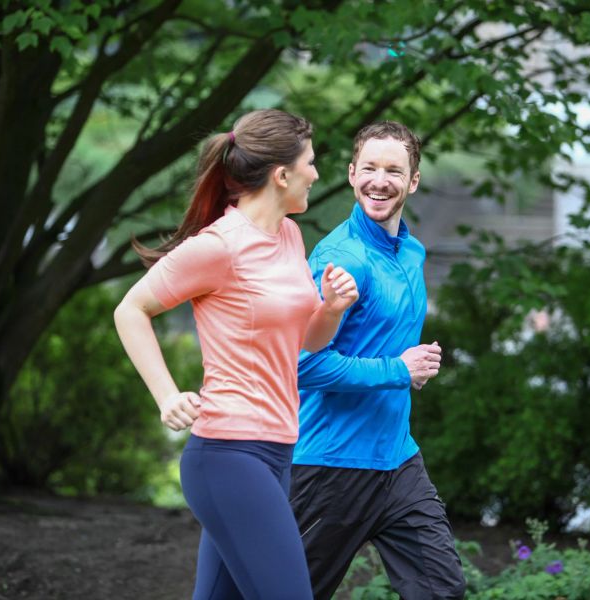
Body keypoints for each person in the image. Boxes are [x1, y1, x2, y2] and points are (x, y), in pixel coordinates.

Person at [113, 109, 358, 600]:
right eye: (310, 162)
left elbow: (306, 341)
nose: (316, 172)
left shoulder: (288, 234)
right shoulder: (219, 246)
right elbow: (131, 309)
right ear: (282, 174)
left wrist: (331, 309)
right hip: (227, 455)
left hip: (276, 450)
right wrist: (165, 395)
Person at [290, 121, 467, 599]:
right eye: (369, 168)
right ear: (351, 174)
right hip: (331, 464)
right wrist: (397, 371)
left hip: (397, 460)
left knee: (442, 591)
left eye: (394, 170)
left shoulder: (410, 252)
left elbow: (386, 343)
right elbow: (303, 364)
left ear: (412, 181)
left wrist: (415, 363)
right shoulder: (342, 258)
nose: (379, 180)